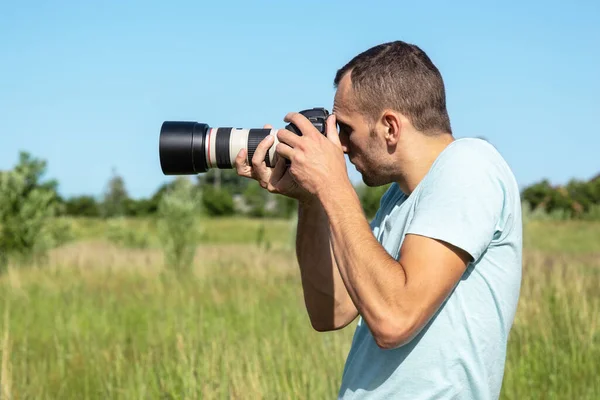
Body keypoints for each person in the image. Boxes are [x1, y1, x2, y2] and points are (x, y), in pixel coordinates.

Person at [234, 40, 522, 399]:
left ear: (390, 127)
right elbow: (332, 312)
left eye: (347, 129)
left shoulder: (469, 165)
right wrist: (311, 201)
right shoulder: (399, 198)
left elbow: (393, 319)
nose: (339, 145)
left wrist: (332, 185)